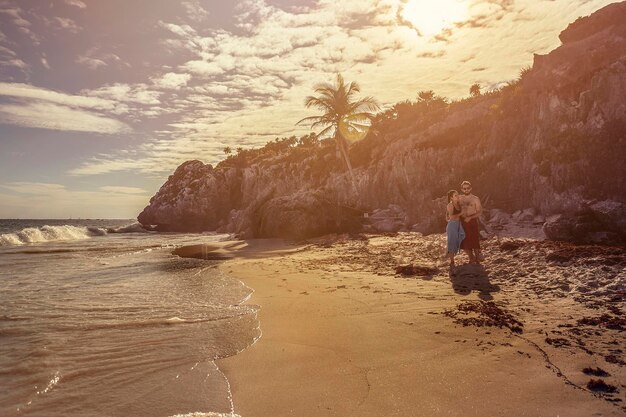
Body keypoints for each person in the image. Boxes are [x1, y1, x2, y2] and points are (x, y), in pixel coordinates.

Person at [459, 180, 482, 264]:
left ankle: (477, 259)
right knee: (464, 241)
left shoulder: (475, 199)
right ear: (461, 189)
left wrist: (470, 217)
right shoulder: (460, 198)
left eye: (468, 188)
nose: (466, 190)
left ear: (471, 188)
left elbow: (479, 212)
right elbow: (455, 208)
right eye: (464, 188)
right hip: (462, 221)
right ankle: (471, 258)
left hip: (472, 221)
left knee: (474, 240)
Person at [446, 190, 465, 272]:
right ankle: (452, 261)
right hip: (452, 225)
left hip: (458, 224)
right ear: (451, 198)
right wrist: (461, 213)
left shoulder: (458, 204)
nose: (457, 196)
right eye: (455, 195)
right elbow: (451, 217)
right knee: (451, 242)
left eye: (457, 195)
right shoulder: (450, 205)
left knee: (462, 237)